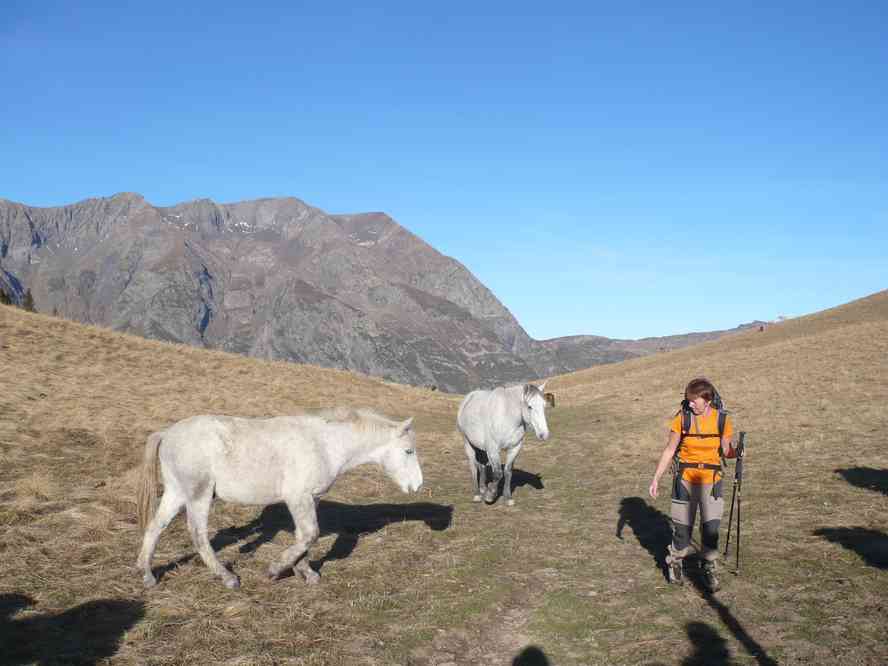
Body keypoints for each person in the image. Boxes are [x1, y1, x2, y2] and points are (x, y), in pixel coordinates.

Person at [649, 377, 737, 591]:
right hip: (685, 479)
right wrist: (656, 478)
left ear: (707, 400)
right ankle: (675, 562)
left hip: (712, 481)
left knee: (711, 528)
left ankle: (707, 564)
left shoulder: (722, 420)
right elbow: (670, 450)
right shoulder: (683, 419)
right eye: (688, 400)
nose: (689, 404)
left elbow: (726, 450)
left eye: (693, 400)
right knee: (682, 528)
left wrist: (737, 451)